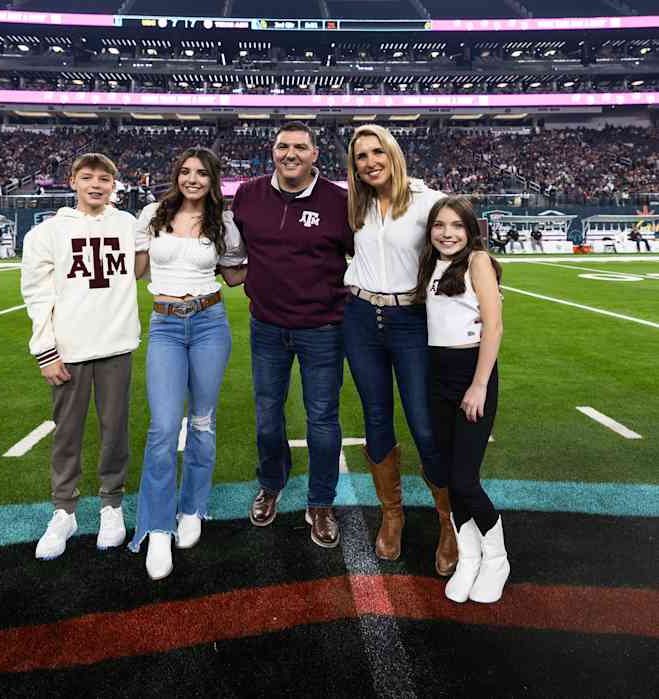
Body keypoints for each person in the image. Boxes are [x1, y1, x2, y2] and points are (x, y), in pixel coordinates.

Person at [231, 122, 353, 549]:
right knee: (267, 417)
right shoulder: (248, 195)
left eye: (300, 147)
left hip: (322, 328)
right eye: (283, 146)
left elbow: (364, 255)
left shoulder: (340, 202)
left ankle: (320, 501)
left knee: (321, 420)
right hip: (266, 325)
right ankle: (271, 483)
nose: (291, 154)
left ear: (315, 154)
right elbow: (231, 251)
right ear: (272, 151)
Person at [343, 124, 457, 576]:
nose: (370, 162)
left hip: (411, 320)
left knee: (425, 424)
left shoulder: (428, 202)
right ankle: (393, 514)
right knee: (375, 417)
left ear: (392, 153)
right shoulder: (357, 205)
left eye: (376, 152)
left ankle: (448, 520)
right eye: (360, 157)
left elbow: (462, 247)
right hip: (360, 318)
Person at [128, 147, 246, 580]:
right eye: (185, 171)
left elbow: (235, 275)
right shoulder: (152, 214)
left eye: (201, 173)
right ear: (176, 174)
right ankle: (158, 527)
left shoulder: (225, 224)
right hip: (165, 325)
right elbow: (137, 271)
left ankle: (193, 506)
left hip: (210, 322)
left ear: (213, 180)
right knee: (162, 427)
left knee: (201, 420)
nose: (192, 179)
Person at [20, 153, 140, 561]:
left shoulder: (128, 224)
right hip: (69, 350)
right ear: (72, 181)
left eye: (104, 178)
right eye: (87, 177)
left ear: (114, 184)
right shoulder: (48, 232)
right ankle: (65, 510)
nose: (96, 185)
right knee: (66, 433)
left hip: (116, 346)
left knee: (114, 432)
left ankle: (111, 503)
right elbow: (36, 295)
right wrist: (46, 350)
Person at [414, 195, 509, 604]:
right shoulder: (431, 264)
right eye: (439, 225)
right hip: (438, 378)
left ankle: (497, 558)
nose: (447, 233)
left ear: (470, 231)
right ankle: (469, 557)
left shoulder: (478, 262)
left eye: (456, 225)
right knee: (449, 477)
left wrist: (479, 385)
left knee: (466, 479)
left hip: (472, 376)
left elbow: (495, 326)